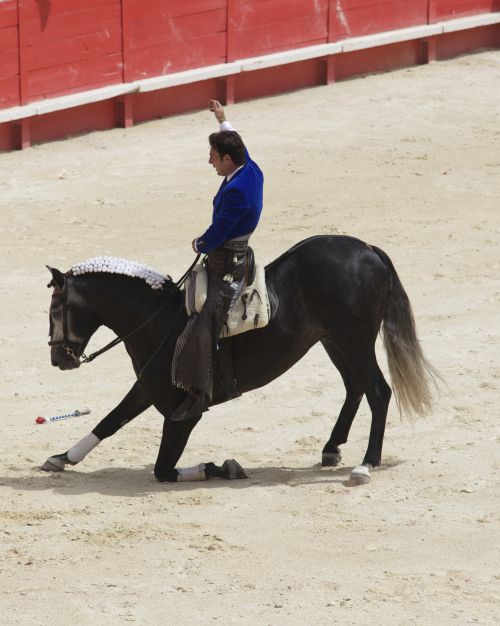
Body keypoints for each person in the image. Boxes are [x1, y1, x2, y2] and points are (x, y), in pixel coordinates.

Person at [171, 100, 264, 421]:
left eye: (213, 157)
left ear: (227, 159)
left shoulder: (238, 190)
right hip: (229, 253)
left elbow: (219, 232)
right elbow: (238, 142)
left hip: (231, 263)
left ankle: (201, 391)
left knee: (206, 321)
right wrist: (222, 120)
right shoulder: (248, 167)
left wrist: (199, 243)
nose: (209, 162)